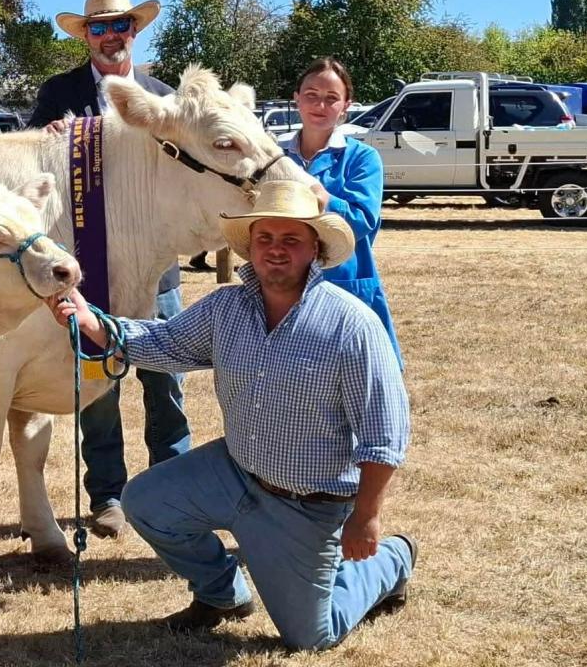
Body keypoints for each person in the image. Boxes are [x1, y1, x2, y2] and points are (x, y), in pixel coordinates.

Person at [46, 180, 415, 651]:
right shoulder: (226, 307)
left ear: (315, 250)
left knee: (311, 637)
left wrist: (366, 519)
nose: (275, 251)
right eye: (265, 239)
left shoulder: (351, 325)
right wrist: (92, 321)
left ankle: (393, 560)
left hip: (308, 504)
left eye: (291, 240)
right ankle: (221, 596)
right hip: (235, 471)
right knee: (144, 502)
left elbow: (384, 435)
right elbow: (162, 343)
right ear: (250, 246)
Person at [27, 0, 188, 539]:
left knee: (165, 381)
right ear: (86, 37)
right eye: (98, 28)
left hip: (157, 268)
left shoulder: (164, 98)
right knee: (99, 385)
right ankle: (108, 497)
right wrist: (43, 142)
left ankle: (172, 491)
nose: (110, 36)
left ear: (134, 31)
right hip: (89, 265)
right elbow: (33, 178)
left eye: (119, 25)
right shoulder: (57, 96)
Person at [280, 56, 402, 365]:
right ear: (296, 98)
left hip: (345, 284)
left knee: (360, 380)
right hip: (281, 286)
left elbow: (362, 220)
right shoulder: (274, 157)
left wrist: (324, 198)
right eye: (311, 95)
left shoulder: (363, 158)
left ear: (346, 105)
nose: (320, 104)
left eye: (331, 98)